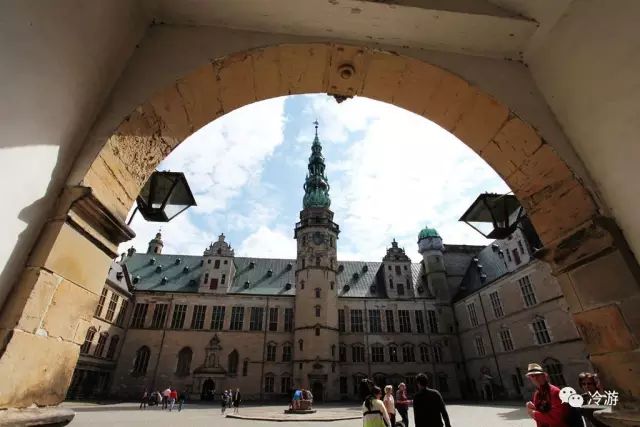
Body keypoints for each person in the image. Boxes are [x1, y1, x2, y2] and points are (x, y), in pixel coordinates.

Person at [525, 363, 569, 427]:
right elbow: (540, 418)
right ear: (530, 378)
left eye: (538, 375)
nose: (535, 378)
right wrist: (533, 408)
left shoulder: (555, 392)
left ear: (544, 376)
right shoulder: (537, 394)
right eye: (532, 376)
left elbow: (555, 419)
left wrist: (534, 413)